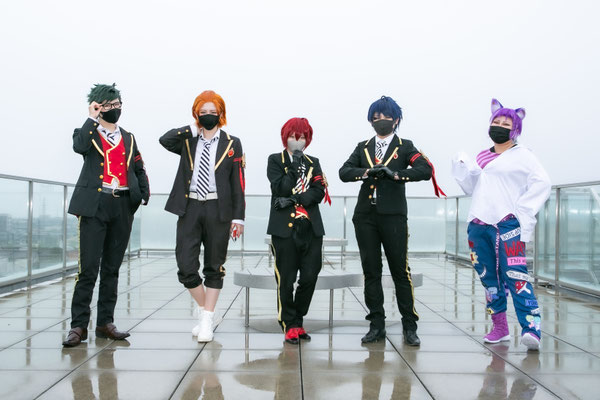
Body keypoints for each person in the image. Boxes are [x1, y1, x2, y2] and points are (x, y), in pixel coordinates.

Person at [339, 96, 442, 346]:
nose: (381, 121)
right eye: (376, 117)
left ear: (396, 120)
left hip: (393, 216)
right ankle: (376, 325)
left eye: (386, 117)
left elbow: (425, 170)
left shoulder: (405, 146)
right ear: (370, 121)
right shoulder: (363, 147)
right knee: (371, 271)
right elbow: (344, 172)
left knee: (400, 271)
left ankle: (409, 326)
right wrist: (367, 172)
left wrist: (395, 174)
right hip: (365, 216)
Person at [452, 98, 551, 351]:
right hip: (478, 223)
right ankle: (500, 327)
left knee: (516, 275)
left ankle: (531, 328)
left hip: (508, 224)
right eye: (496, 121)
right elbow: (473, 188)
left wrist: (523, 210)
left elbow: (542, 183)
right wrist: (463, 168)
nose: (500, 126)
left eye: (506, 124)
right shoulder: (482, 156)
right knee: (488, 277)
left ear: (515, 129)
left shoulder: (524, 155)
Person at [63, 83, 150, 347]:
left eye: (117, 104)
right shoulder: (86, 132)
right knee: (88, 269)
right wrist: (92, 118)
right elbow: (79, 147)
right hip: (94, 205)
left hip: (122, 205)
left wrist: (143, 192)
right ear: (98, 107)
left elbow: (138, 166)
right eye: (109, 105)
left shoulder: (129, 137)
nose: (115, 109)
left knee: (112, 269)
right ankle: (78, 326)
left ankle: (105, 323)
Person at [159, 90, 245, 342]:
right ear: (196, 114)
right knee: (186, 266)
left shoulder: (232, 143)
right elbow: (164, 140)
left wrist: (238, 218)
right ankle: (208, 311)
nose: (208, 116)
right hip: (190, 206)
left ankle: (206, 319)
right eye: (203, 112)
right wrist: (191, 128)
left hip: (219, 208)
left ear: (221, 113)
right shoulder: (188, 140)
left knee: (214, 266)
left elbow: (238, 182)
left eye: (213, 112)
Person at [266, 117, 330, 344]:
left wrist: (293, 200)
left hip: (311, 229)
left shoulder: (314, 162)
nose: (298, 140)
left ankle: (298, 319)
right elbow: (280, 188)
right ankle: (290, 324)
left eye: (302, 137)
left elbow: (318, 192)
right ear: (286, 137)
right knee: (286, 279)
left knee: (310, 276)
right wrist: (294, 164)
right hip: (284, 230)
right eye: (293, 136)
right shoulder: (275, 160)